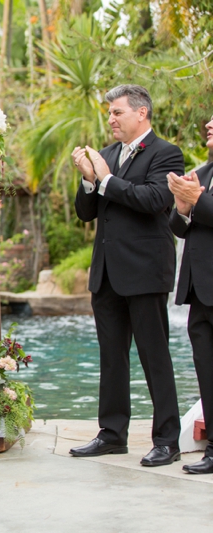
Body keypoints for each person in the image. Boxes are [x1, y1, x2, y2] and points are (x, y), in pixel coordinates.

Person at [70, 84, 184, 466]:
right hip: (106, 274)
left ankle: (167, 440)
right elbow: (86, 213)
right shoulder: (104, 155)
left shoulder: (166, 153)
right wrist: (88, 180)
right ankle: (112, 434)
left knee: (155, 357)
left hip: (145, 271)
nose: (111, 119)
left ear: (141, 114)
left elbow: (154, 200)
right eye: (109, 113)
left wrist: (104, 180)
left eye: (117, 112)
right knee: (111, 358)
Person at [167, 115, 213, 474]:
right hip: (201, 290)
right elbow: (181, 227)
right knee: (206, 370)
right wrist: (183, 209)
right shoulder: (203, 171)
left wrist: (198, 200)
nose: (208, 125)